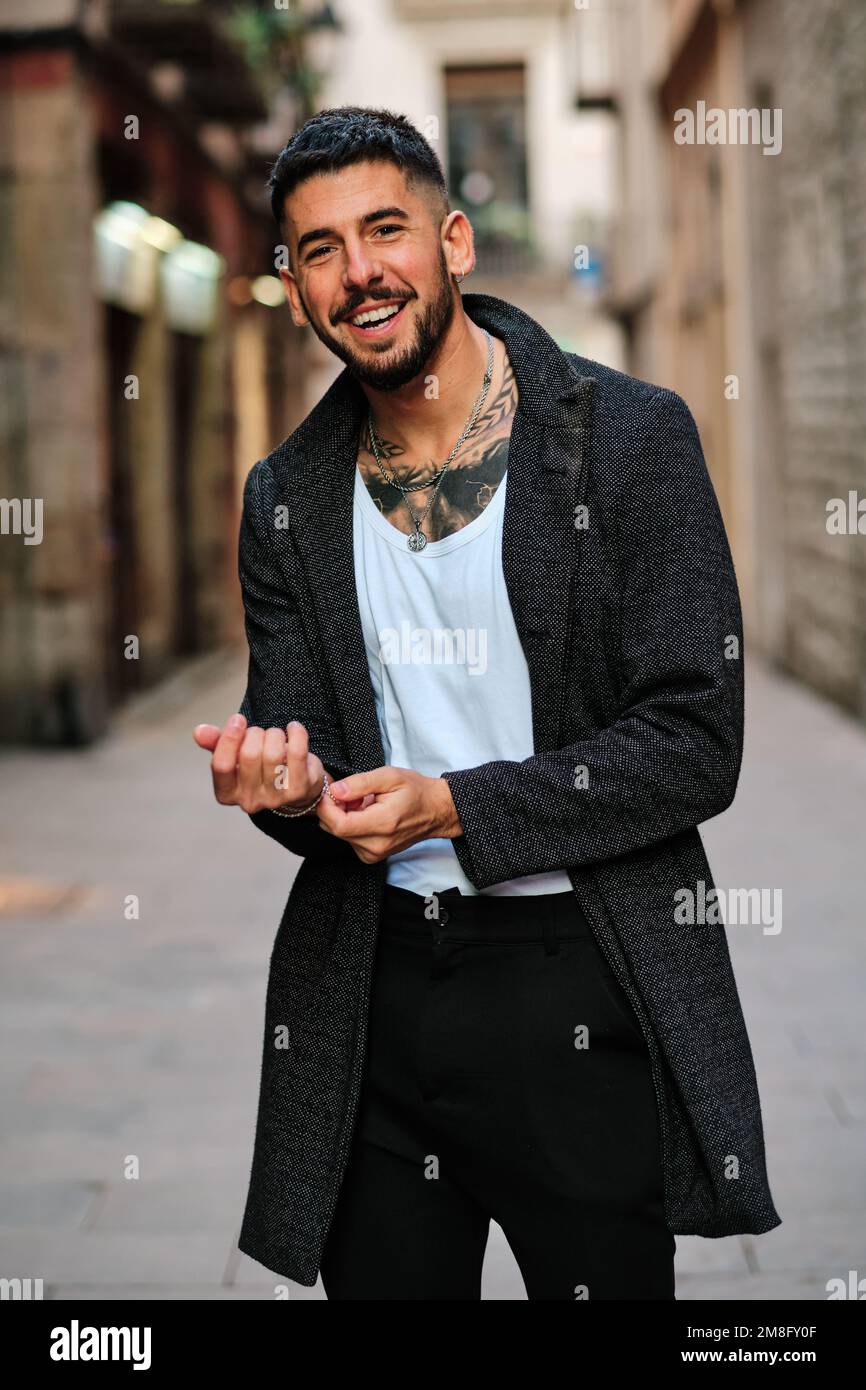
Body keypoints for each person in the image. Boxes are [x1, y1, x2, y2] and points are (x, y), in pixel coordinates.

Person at [193, 106, 781, 1300]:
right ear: (296, 287)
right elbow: (299, 746)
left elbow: (692, 742)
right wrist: (284, 787)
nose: (359, 271)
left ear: (452, 241)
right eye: (318, 249)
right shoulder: (286, 497)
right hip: (376, 993)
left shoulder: (628, 440)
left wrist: (454, 806)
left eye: (385, 230)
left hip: (582, 975)